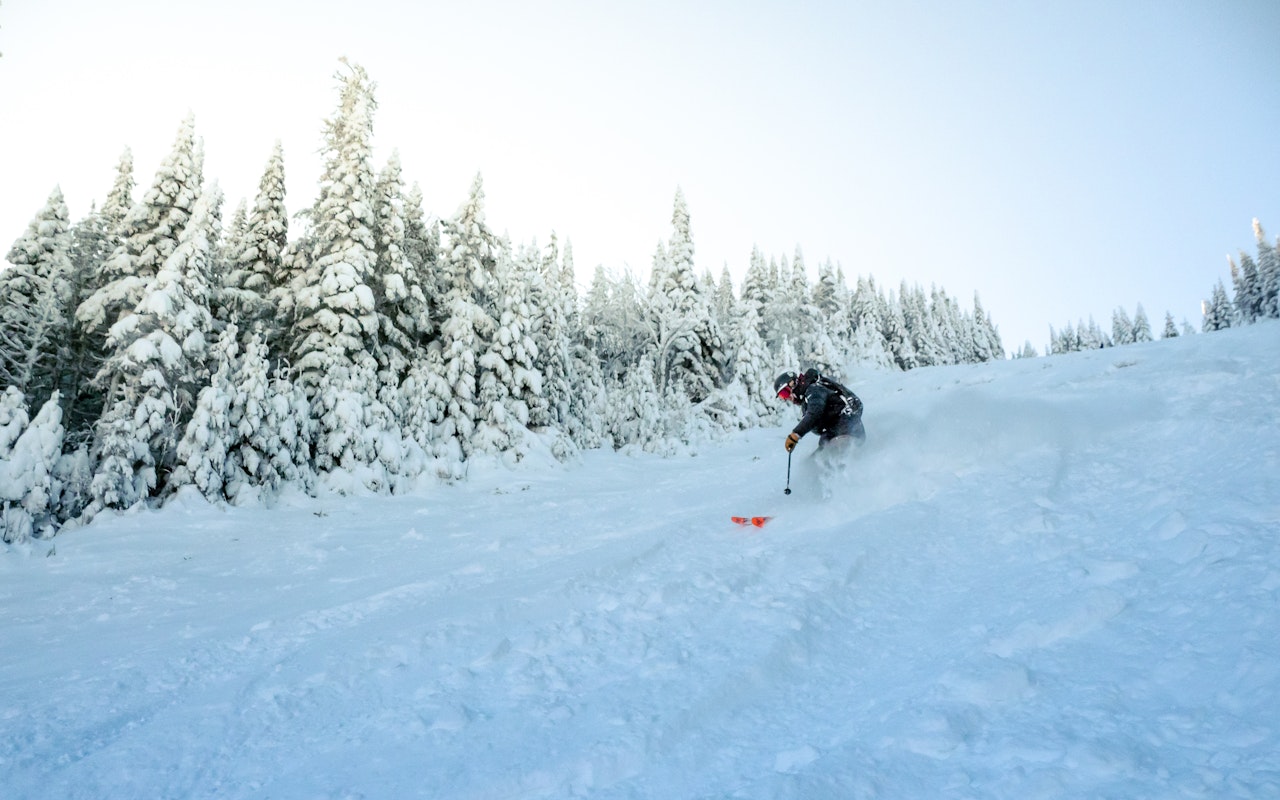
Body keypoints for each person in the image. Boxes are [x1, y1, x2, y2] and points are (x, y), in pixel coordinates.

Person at [774, 368, 866, 453]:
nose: (787, 398)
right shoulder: (807, 396)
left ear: (792, 383)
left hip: (847, 429)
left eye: (785, 393)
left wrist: (796, 434)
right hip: (834, 432)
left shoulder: (814, 390)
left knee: (831, 458)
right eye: (783, 397)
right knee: (814, 461)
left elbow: (814, 413)